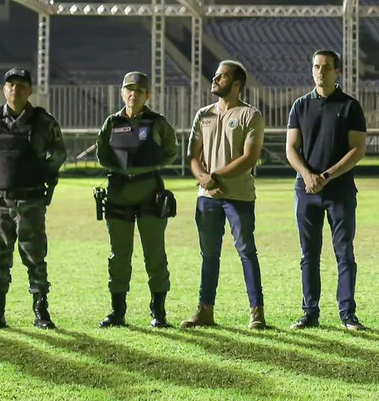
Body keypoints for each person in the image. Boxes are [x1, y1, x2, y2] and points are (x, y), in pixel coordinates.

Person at [0, 68, 67, 330]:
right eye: (10, 85)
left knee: (35, 257)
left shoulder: (43, 122)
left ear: (30, 90)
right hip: (0, 202)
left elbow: (58, 154)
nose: (15, 89)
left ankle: (41, 312)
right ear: (4, 89)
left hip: (30, 201)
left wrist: (41, 174)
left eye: (21, 85)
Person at [284, 50, 368, 331]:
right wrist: (308, 175)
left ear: (337, 71)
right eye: (316, 67)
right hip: (306, 190)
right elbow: (291, 148)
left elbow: (357, 150)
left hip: (340, 190)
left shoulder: (350, 106)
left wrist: (327, 176)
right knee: (309, 254)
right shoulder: (300, 105)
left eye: (327, 67)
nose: (320, 72)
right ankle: (310, 312)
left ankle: (347, 314)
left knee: (344, 253)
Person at [181, 61, 268, 330]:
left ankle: (257, 312)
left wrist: (214, 177)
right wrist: (205, 180)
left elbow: (249, 158)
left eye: (222, 76)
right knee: (209, 254)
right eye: (216, 74)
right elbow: (192, 156)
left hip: (239, 196)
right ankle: (205, 310)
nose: (215, 79)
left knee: (246, 252)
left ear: (237, 85)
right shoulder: (203, 114)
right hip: (207, 197)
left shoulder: (250, 115)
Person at [95, 72, 181, 328]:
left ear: (147, 95)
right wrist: (122, 171)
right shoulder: (111, 122)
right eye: (129, 89)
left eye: (139, 91)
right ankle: (117, 311)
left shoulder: (158, 122)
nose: (134, 94)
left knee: (154, 254)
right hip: (118, 195)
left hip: (149, 195)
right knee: (119, 256)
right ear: (122, 93)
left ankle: (158, 311)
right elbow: (102, 153)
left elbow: (170, 152)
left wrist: (144, 168)